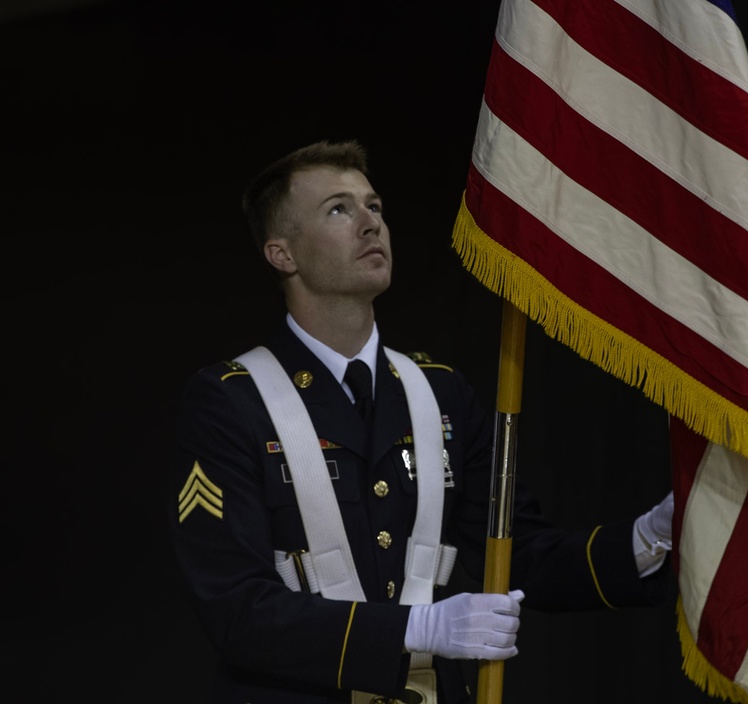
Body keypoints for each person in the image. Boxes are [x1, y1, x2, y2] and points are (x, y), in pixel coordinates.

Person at [168, 139, 676, 704]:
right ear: (281, 253)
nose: (370, 224)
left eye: (375, 206)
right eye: (339, 208)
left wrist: (646, 542)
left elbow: (518, 555)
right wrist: (415, 630)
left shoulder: (438, 391)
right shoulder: (230, 401)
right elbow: (237, 610)